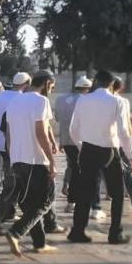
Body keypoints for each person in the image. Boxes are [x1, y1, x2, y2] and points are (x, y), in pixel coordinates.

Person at [67, 69, 132, 244]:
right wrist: (131, 155)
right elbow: (123, 132)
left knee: (85, 192)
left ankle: (77, 231)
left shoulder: (83, 100)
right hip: (109, 151)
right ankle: (115, 234)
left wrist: (82, 147)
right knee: (117, 193)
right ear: (112, 84)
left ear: (96, 82)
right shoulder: (117, 101)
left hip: (88, 150)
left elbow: (73, 129)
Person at [2, 71, 60, 256]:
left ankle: (39, 243)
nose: (51, 90)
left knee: (29, 203)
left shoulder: (14, 102)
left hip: (18, 159)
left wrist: (12, 157)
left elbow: (9, 134)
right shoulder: (41, 101)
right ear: (47, 83)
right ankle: (16, 232)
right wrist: (51, 161)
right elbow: (41, 132)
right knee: (46, 200)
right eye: (52, 86)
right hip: (36, 160)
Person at [0, 72, 31, 233]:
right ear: (27, 84)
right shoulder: (22, 99)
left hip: (0, 144)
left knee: (16, 183)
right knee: (11, 185)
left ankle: (10, 213)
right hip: (15, 147)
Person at [55, 76, 92, 210]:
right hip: (82, 141)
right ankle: (75, 201)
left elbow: (57, 118)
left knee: (73, 168)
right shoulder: (86, 100)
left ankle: (72, 200)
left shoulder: (60, 99)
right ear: (87, 89)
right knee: (82, 171)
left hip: (66, 140)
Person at [112, 78, 132, 211]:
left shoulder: (99, 101)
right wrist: (131, 151)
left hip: (104, 143)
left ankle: (96, 205)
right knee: (127, 172)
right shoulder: (123, 101)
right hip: (120, 142)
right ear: (121, 87)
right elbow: (127, 123)